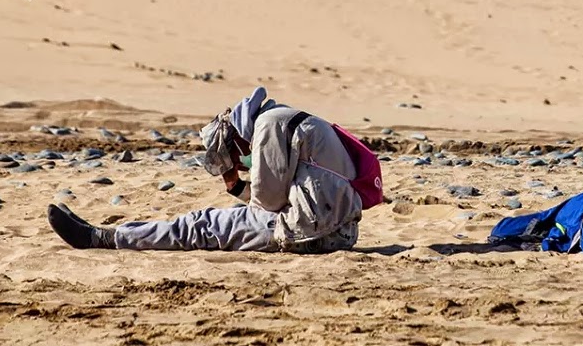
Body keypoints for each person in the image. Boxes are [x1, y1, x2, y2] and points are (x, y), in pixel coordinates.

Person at [46, 87, 363, 253]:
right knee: (219, 221)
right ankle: (114, 233)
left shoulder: (268, 126)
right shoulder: (285, 118)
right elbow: (283, 195)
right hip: (335, 230)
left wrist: (241, 185)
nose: (240, 160)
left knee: (201, 224)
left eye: (233, 154)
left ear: (238, 135)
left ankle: (103, 238)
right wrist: (237, 188)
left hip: (311, 232)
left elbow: (267, 204)